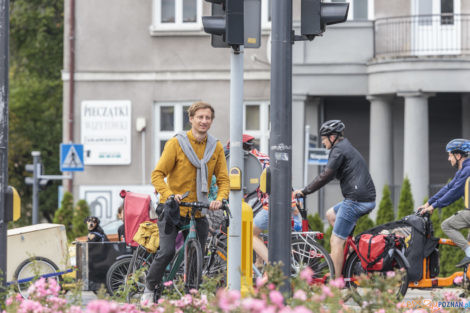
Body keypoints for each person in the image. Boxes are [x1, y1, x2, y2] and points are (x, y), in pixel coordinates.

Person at [142, 101, 230, 303]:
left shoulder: (215, 147)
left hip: (199, 210)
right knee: (166, 252)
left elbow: (224, 179)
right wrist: (170, 194)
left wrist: (219, 198)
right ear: (191, 119)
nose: (204, 121)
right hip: (173, 209)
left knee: (197, 258)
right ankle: (149, 287)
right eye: (200, 117)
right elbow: (157, 175)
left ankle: (192, 296)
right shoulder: (176, 143)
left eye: (207, 118)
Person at [293, 120, 376, 277]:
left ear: (332, 137)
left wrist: (305, 191)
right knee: (331, 214)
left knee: (335, 241)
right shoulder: (345, 147)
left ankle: (336, 284)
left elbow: (326, 175)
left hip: (356, 200)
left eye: (324, 138)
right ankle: (349, 253)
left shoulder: (339, 150)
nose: (322, 142)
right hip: (364, 198)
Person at [226, 134, 301, 266]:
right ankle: (260, 262)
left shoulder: (252, 162)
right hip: (285, 202)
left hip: (274, 204)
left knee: (249, 233)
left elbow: (250, 186)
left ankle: (273, 267)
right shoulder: (264, 157)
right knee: (257, 228)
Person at [419, 138, 470, 267]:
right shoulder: (464, 169)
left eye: (450, 155)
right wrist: (429, 203)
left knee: (447, 225)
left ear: (458, 155)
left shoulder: (467, 170)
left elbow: (454, 193)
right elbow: (448, 187)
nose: (449, 159)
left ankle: (469, 253)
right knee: (468, 241)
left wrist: (434, 206)